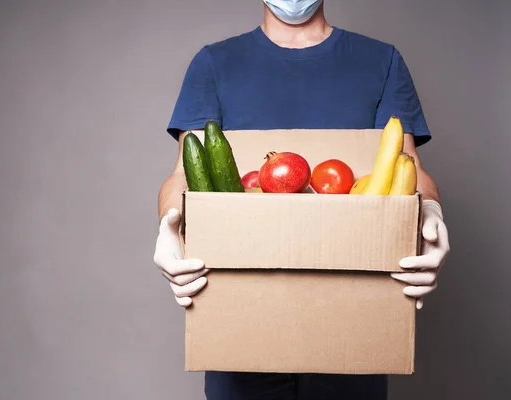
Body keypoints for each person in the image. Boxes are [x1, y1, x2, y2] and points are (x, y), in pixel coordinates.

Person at [153, 0, 450, 398]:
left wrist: (429, 210)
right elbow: (183, 173)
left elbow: (408, 165)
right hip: (242, 320)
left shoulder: (382, 61)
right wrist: (168, 227)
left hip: (353, 321)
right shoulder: (213, 63)